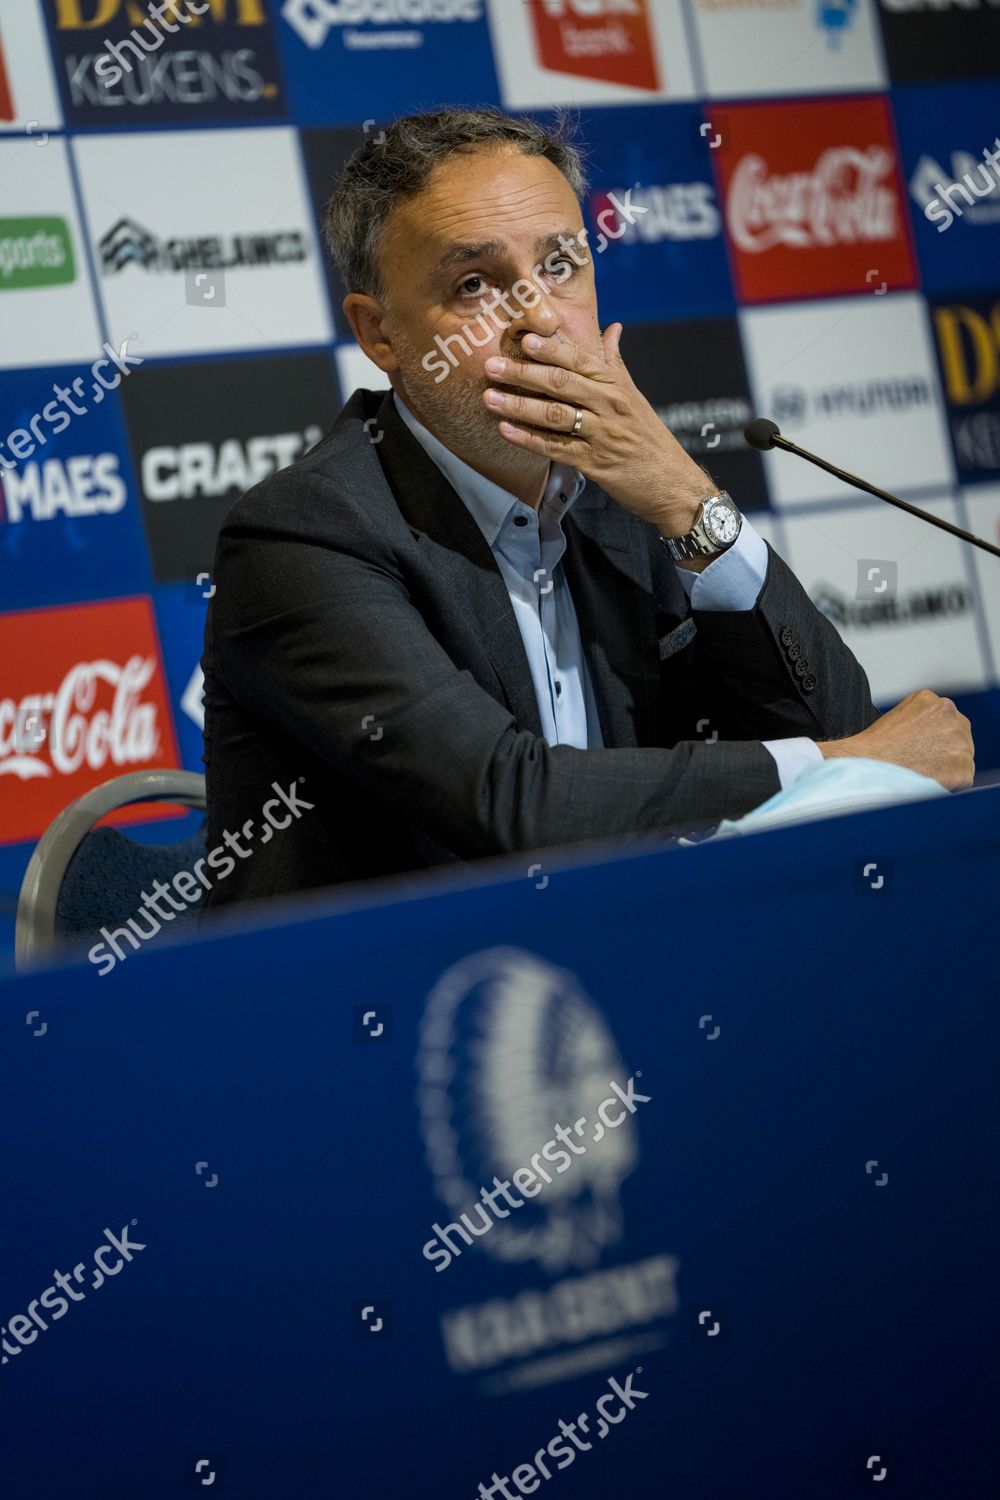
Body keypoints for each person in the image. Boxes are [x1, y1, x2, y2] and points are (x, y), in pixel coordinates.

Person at [200, 106, 973, 910]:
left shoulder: (628, 498)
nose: (538, 318)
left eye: (561, 265)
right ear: (381, 333)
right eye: (475, 285)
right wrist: (833, 764)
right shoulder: (303, 536)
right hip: (375, 1007)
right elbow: (514, 806)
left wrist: (687, 499)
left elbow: (840, 720)